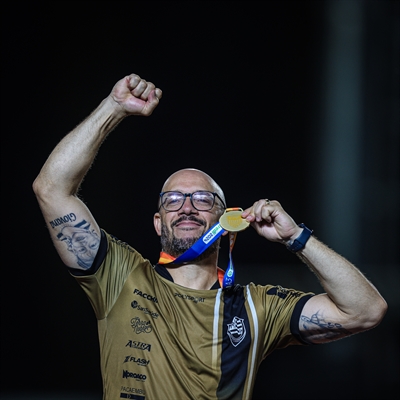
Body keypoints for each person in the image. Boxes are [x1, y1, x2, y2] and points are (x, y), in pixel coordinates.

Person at [33, 73, 387, 400]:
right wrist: (113, 108)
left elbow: (366, 311)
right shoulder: (120, 276)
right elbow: (51, 188)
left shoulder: (256, 307)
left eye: (203, 199)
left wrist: (296, 237)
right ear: (158, 223)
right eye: (172, 200)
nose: (186, 207)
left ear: (228, 222)